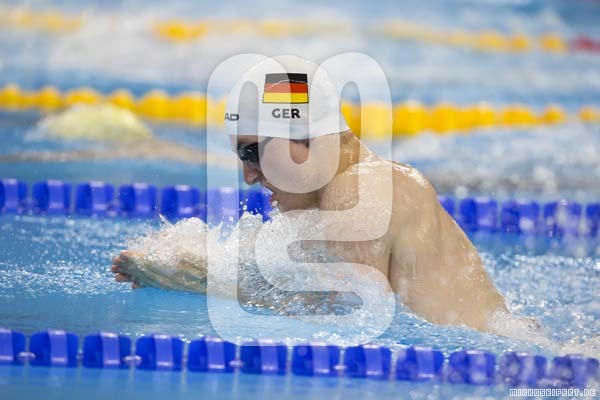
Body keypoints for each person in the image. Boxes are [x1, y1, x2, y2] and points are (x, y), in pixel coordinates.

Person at [112, 55, 507, 332]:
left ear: (305, 139)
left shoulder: (357, 190)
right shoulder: (361, 188)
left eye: (252, 153)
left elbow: (351, 317)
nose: (248, 176)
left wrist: (199, 279)